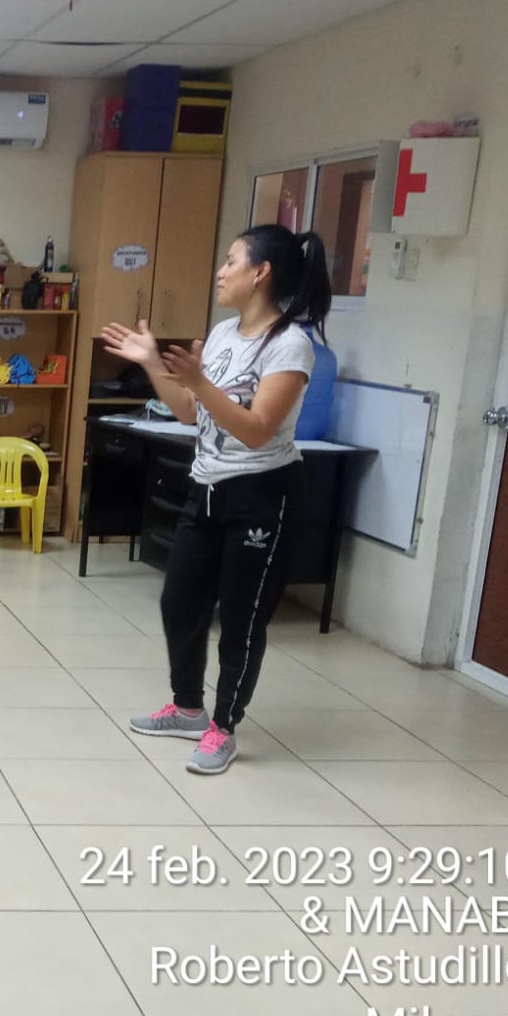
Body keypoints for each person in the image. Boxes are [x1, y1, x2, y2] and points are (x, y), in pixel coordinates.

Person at [101, 224, 332, 775]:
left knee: (242, 619)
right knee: (179, 602)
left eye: (232, 261)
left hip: (262, 494)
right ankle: (187, 708)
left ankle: (223, 728)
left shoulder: (290, 345)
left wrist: (201, 384)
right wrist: (153, 363)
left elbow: (256, 430)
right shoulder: (225, 333)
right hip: (207, 488)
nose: (221, 271)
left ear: (261, 272)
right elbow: (189, 411)